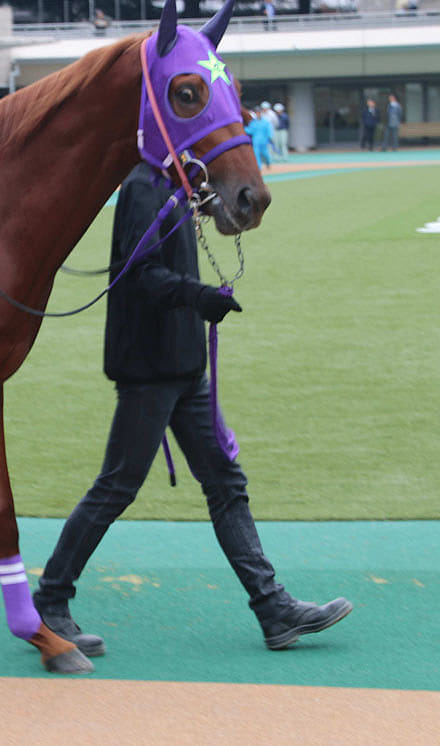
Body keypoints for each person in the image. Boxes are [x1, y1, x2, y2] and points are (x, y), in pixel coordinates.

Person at [32, 163, 352, 657]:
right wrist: (198, 296)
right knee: (117, 486)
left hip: (183, 366)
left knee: (226, 484)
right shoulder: (143, 186)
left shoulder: (176, 186)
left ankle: (273, 609)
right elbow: (140, 275)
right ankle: (50, 601)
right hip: (150, 368)